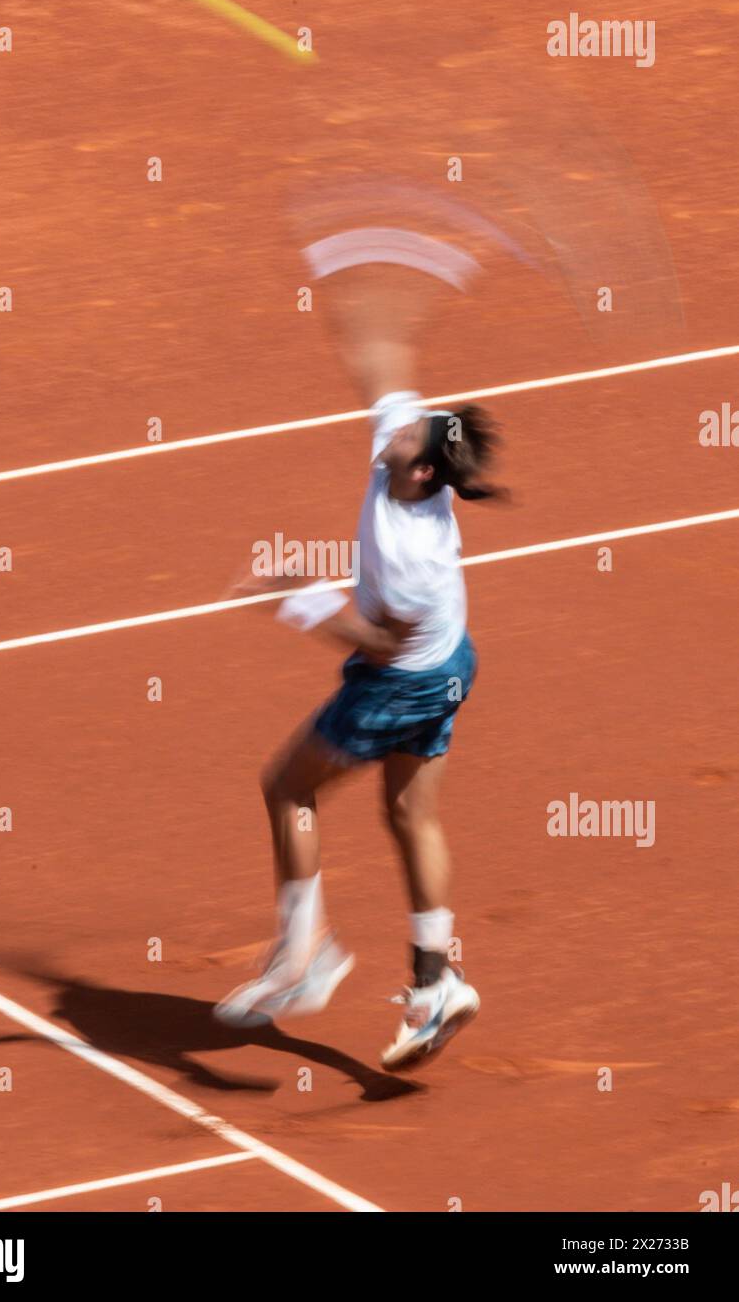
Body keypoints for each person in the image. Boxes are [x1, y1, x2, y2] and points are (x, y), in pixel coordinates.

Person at [214, 341, 504, 1069]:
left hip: (399, 682)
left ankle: (303, 959)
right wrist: (366, 310)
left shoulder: (415, 553)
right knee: (410, 813)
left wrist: (295, 597)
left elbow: (377, 644)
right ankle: (436, 984)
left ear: (425, 470)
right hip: (450, 666)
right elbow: (385, 376)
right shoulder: (406, 456)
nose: (395, 431)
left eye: (407, 436)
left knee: (288, 787)